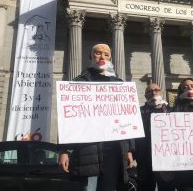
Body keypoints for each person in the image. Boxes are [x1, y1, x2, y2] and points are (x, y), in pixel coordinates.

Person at [59, 43, 133, 191]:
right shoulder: (79, 82)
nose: (102, 57)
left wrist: (129, 149)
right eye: (98, 53)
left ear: (110, 58)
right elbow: (67, 119)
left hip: (114, 150)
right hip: (88, 150)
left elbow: (127, 118)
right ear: (91, 56)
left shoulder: (119, 84)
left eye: (106, 54)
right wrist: (64, 150)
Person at [134, 83, 175, 191]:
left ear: (161, 92)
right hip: (145, 157)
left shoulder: (171, 111)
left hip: (166, 159)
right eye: (149, 91)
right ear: (145, 95)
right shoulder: (139, 112)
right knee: (145, 187)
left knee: (167, 187)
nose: (153, 92)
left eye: (156, 90)